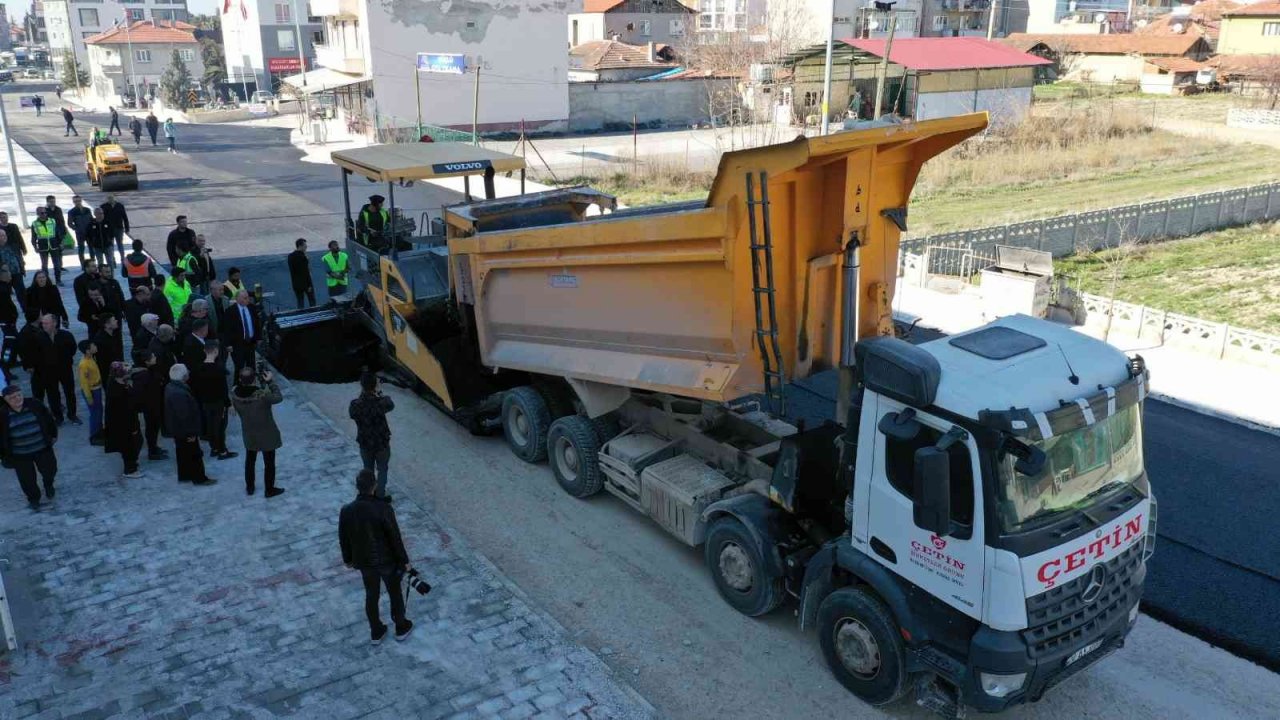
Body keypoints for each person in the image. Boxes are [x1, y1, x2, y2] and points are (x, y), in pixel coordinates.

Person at [339, 469, 414, 644]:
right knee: (395, 592)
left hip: (364, 562)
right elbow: (395, 538)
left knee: (371, 595)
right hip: (387, 560)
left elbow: (343, 538)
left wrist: (348, 559)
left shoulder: (347, 510)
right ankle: (401, 626)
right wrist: (405, 561)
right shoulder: (383, 508)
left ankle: (376, 630)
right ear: (374, 486)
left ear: (357, 487)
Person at [0, 384, 59, 511]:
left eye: (19, 395)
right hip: (20, 454)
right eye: (12, 398)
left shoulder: (35, 405)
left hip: (42, 448)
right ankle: (34, 499)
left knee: (50, 470)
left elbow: (49, 419)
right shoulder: (2, 415)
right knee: (27, 480)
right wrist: (3, 455)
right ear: (5, 400)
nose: (17, 399)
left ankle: (48, 484)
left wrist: (53, 435)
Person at [231, 366, 285, 497]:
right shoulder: (262, 395)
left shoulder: (234, 394)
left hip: (249, 432)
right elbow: (278, 397)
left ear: (240, 379)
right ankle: (269, 489)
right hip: (267, 432)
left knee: (250, 460)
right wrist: (270, 382)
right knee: (269, 462)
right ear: (254, 379)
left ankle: (250, 487)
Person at [164, 364, 213, 485]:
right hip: (185, 430)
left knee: (182, 452)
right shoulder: (179, 393)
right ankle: (199, 478)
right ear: (183, 376)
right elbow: (184, 416)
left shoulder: (171, 387)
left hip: (178, 429)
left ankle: (185, 475)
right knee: (194, 453)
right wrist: (191, 433)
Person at [349, 371, 394, 500]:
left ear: (361, 386)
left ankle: (368, 494)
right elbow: (390, 404)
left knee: (368, 469)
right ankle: (380, 495)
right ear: (375, 386)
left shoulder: (355, 405)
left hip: (365, 442)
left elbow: (352, 414)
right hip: (381, 442)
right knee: (382, 469)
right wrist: (379, 393)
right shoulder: (381, 403)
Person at [191, 341, 234, 461]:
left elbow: (196, 388)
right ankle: (222, 450)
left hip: (205, 402)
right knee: (220, 427)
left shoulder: (198, 368)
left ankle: (214, 448)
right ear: (216, 351)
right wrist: (229, 404)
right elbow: (223, 389)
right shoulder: (219, 369)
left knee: (210, 425)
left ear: (204, 351)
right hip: (218, 402)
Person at [33, 314, 79, 425]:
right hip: (48, 371)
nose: (43, 325)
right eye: (42, 323)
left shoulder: (66, 335)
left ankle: (72, 414)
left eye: (46, 323)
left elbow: (73, 349)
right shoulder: (38, 337)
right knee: (52, 394)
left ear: (54, 323)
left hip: (65, 369)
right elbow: (35, 354)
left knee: (70, 392)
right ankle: (58, 417)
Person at [105, 361, 143, 478]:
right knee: (131, 445)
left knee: (132, 444)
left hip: (120, 423)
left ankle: (131, 464)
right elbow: (127, 412)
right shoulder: (119, 393)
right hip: (125, 425)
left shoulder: (115, 382)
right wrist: (133, 428)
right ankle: (130, 470)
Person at [130, 347, 167, 461]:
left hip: (153, 405)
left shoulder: (147, 371)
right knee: (152, 429)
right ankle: (152, 451)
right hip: (151, 407)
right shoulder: (143, 376)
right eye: (153, 356)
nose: (155, 357)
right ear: (146, 361)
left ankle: (154, 447)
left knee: (154, 429)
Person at [224, 289, 260, 373]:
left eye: (248, 297)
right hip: (237, 345)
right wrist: (228, 344)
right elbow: (227, 329)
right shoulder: (230, 311)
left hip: (250, 343)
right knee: (239, 367)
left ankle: (251, 382)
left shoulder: (252, 308)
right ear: (238, 299)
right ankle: (238, 384)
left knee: (251, 366)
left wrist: (258, 338)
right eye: (245, 298)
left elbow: (257, 323)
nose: (248, 300)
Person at [77, 339, 104, 445]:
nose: (95, 347)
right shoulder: (84, 364)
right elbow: (84, 383)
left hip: (96, 389)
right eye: (93, 346)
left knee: (99, 411)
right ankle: (94, 436)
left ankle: (99, 431)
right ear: (88, 350)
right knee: (94, 414)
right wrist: (89, 397)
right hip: (92, 391)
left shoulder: (91, 358)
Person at [31, 206, 64, 286]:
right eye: (42, 213)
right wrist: (35, 247)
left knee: (57, 264)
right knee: (44, 266)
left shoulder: (52, 221)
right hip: (43, 247)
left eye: (45, 212)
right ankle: (47, 281)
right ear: (38, 214)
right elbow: (34, 237)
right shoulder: (35, 224)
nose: (44, 214)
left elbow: (58, 233)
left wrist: (61, 243)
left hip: (54, 245)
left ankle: (58, 280)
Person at [0, 223, 25, 311]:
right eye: (1, 236)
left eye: (4, 235)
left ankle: (25, 309)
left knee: (21, 293)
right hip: (4, 276)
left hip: (17, 273)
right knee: (5, 295)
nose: (4, 237)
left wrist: (22, 268)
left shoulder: (12, 246)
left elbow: (19, 258)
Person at [100, 195, 130, 266]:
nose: (110, 199)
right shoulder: (103, 206)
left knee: (120, 244)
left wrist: (127, 228)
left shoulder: (120, 206)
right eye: (109, 198)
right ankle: (112, 260)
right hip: (108, 229)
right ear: (107, 199)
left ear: (114, 198)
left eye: (112, 198)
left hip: (119, 228)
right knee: (110, 245)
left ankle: (122, 259)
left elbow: (125, 217)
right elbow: (101, 218)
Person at [288, 238, 315, 309]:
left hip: (296, 284)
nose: (306, 247)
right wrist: (309, 285)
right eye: (305, 245)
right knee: (312, 301)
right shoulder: (303, 257)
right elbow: (305, 272)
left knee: (300, 302)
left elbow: (293, 270)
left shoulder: (290, 256)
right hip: (306, 283)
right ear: (300, 246)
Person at [66, 196, 93, 267]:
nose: (77, 203)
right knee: (81, 249)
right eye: (75, 201)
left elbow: (92, 219)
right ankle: (83, 265)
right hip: (80, 233)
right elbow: (69, 223)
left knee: (91, 248)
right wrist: (77, 229)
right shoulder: (72, 212)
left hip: (89, 232)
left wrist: (93, 228)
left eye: (79, 201)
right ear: (73, 202)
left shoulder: (87, 210)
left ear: (81, 201)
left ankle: (92, 263)